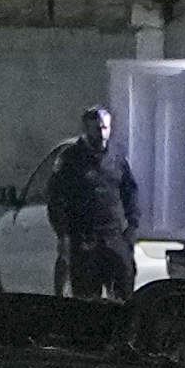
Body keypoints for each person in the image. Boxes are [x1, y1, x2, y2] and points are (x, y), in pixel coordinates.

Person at [44, 105, 139, 300]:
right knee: (86, 299)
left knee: (124, 293)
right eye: (97, 129)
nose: (103, 134)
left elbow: (130, 191)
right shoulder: (70, 160)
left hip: (113, 237)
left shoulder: (117, 158)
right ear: (86, 129)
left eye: (106, 128)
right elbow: (55, 198)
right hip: (84, 240)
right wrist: (63, 235)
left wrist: (132, 226)